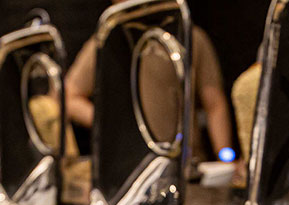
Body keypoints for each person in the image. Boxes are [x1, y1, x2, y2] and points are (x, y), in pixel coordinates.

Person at [64, 19, 237, 163]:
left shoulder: (190, 36)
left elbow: (214, 104)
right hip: (129, 165)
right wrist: (113, 126)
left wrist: (224, 156)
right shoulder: (106, 41)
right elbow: (69, 97)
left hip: (187, 164)